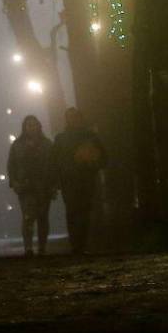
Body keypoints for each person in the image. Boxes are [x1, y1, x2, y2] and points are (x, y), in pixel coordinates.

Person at [52, 106, 107, 255]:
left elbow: (103, 158)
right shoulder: (61, 138)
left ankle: (81, 244)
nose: (73, 119)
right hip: (69, 181)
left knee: (84, 212)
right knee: (72, 212)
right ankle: (76, 244)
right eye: (70, 117)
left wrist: (93, 164)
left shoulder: (90, 137)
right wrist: (57, 180)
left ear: (80, 118)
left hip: (86, 180)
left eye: (75, 116)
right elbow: (54, 161)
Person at [7, 115, 56, 256]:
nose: (31, 127)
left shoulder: (47, 145)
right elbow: (11, 166)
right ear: (24, 127)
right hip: (25, 186)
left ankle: (42, 247)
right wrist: (14, 182)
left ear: (38, 126)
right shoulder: (17, 145)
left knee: (42, 217)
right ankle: (28, 247)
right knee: (28, 217)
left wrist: (54, 185)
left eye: (33, 124)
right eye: (28, 125)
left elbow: (54, 165)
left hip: (43, 185)